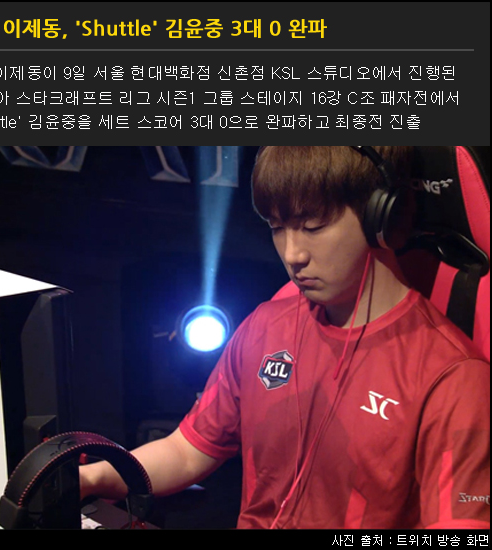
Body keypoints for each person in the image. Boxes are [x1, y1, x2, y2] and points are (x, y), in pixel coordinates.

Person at [80, 146, 490, 529]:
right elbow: (186, 451)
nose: (293, 254)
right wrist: (93, 477)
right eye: (278, 228)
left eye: (313, 226)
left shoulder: (452, 376)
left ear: (379, 219)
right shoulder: (265, 326)